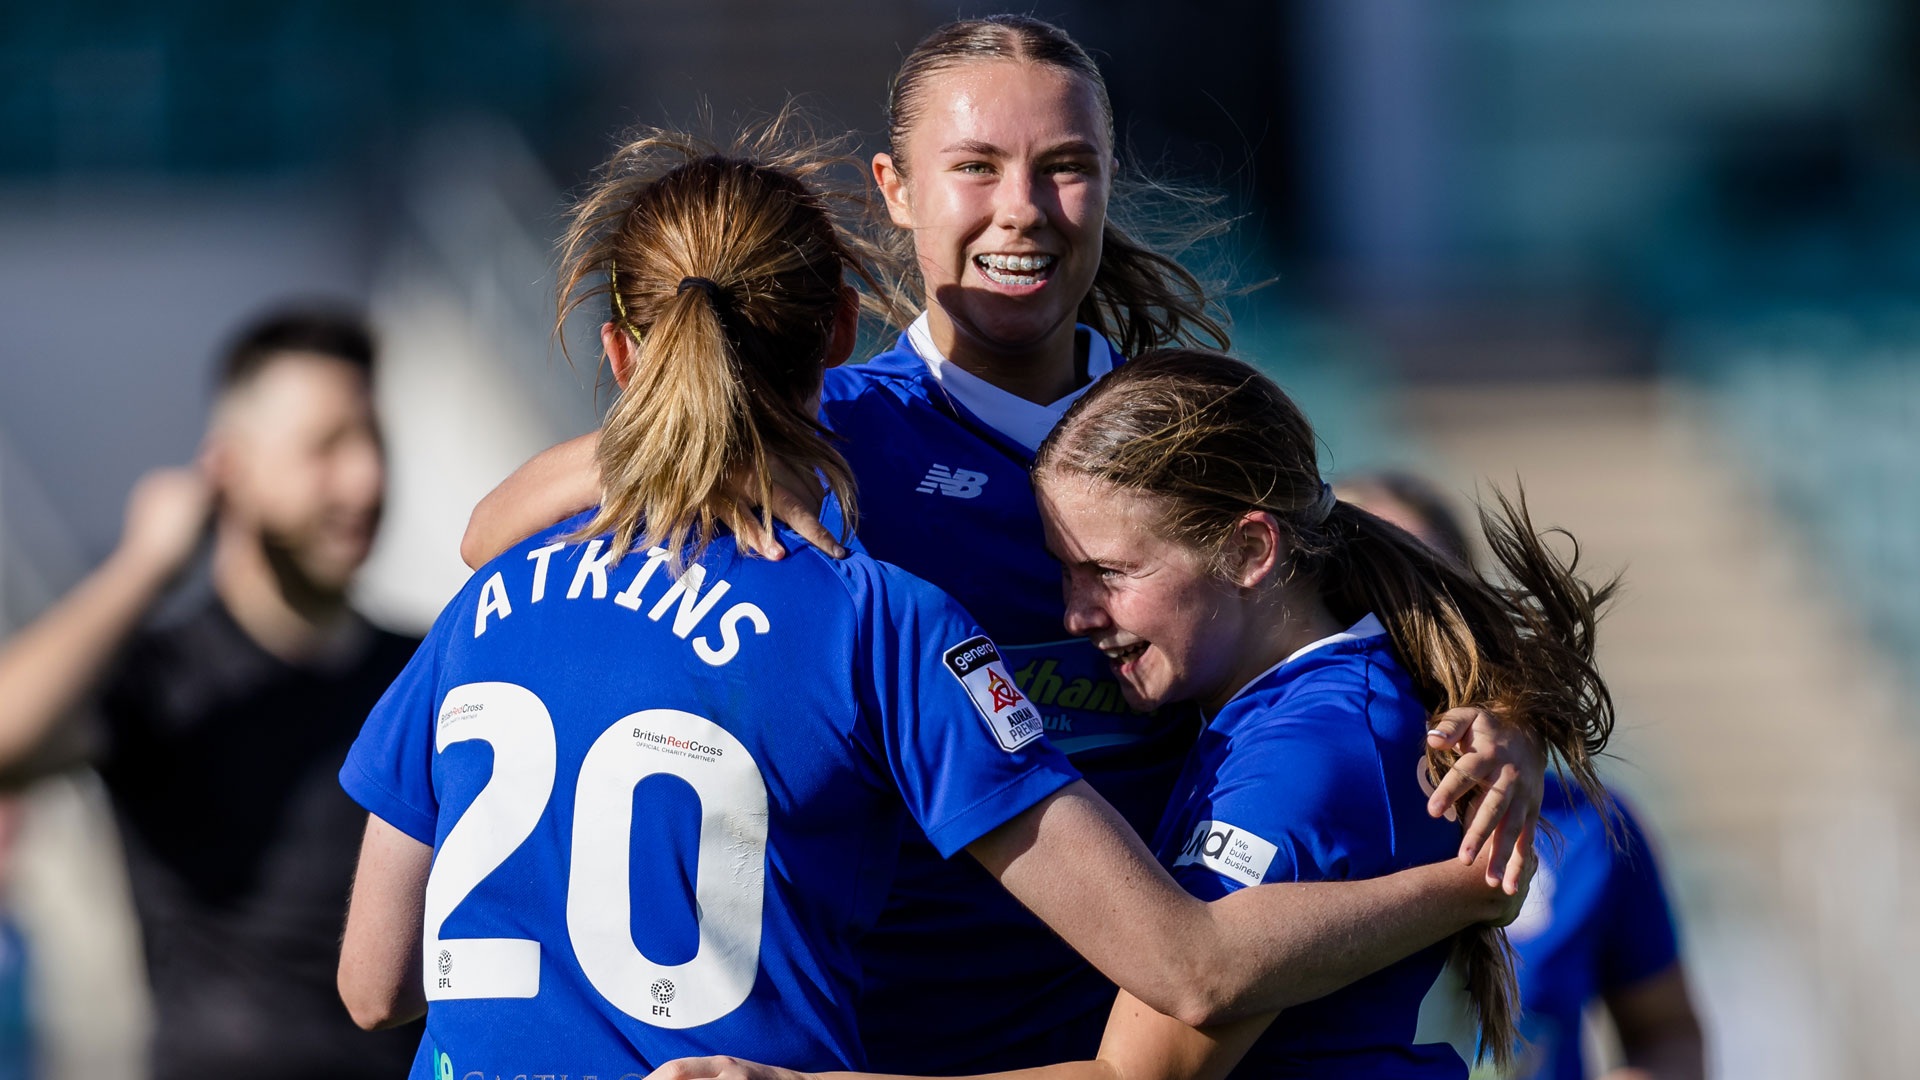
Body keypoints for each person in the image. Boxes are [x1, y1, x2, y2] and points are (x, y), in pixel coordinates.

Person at [460, 15, 1547, 1074]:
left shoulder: (1168, 435)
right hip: (875, 1056)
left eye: (1065, 166)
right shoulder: (822, 438)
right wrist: (690, 438)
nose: (1021, 210)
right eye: (975, 166)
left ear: (1112, 180)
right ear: (895, 190)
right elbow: (492, 535)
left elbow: (1362, 600)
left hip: (1124, 1047)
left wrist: (1499, 716)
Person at [642, 349, 1617, 1080]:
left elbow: (1131, 1077)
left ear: (1249, 551)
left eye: (1110, 573)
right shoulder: (1320, 703)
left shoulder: (1303, 763)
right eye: (1065, 573)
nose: (1074, 617)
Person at [0, 308, 420, 1079]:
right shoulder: (164, 678)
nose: (366, 478)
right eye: (326, 447)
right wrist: (144, 566)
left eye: (373, 443)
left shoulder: (420, 671)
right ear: (229, 468)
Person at [1335, 471, 1706, 1080]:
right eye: (1364, 580)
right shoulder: (1283, 793)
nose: (1396, 614)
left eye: (1424, 581)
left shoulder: (1589, 825)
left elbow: (1667, 1031)